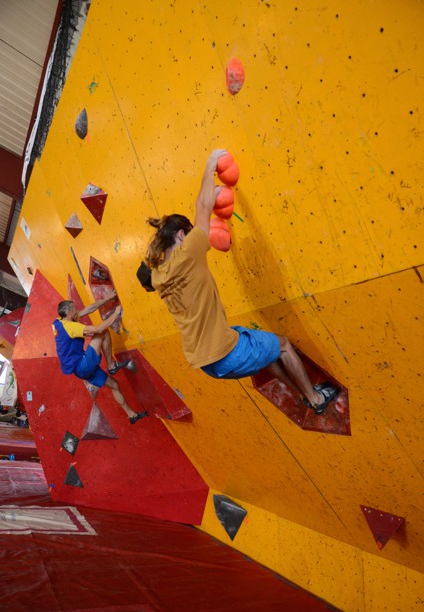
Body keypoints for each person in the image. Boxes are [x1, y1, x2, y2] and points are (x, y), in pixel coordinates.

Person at [144, 150, 340, 415]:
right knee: (283, 345)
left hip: (206, 361)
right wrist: (210, 165)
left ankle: (301, 395)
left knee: (263, 348)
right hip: (226, 353)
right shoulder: (188, 252)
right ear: (181, 235)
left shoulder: (158, 276)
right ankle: (316, 399)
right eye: (189, 234)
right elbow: (203, 206)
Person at [52, 292, 146, 424]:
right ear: (68, 312)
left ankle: (132, 415)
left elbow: (89, 309)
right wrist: (116, 313)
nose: (77, 311)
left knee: (115, 385)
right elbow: (98, 329)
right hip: (82, 365)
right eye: (75, 309)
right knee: (103, 332)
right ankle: (111, 366)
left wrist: (108, 298)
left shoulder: (60, 322)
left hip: (80, 371)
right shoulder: (71, 327)